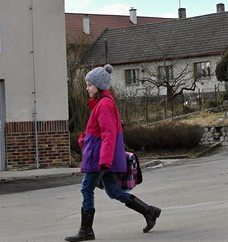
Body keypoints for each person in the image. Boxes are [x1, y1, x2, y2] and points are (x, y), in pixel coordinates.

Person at [65, 64, 161, 242]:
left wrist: (104, 160)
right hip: (101, 156)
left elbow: (108, 134)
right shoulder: (102, 104)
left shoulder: (104, 105)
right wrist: (85, 140)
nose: (87, 88)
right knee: (113, 191)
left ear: (99, 86)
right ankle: (149, 211)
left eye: (89, 85)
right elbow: (100, 133)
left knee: (86, 188)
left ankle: (86, 230)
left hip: (100, 158)